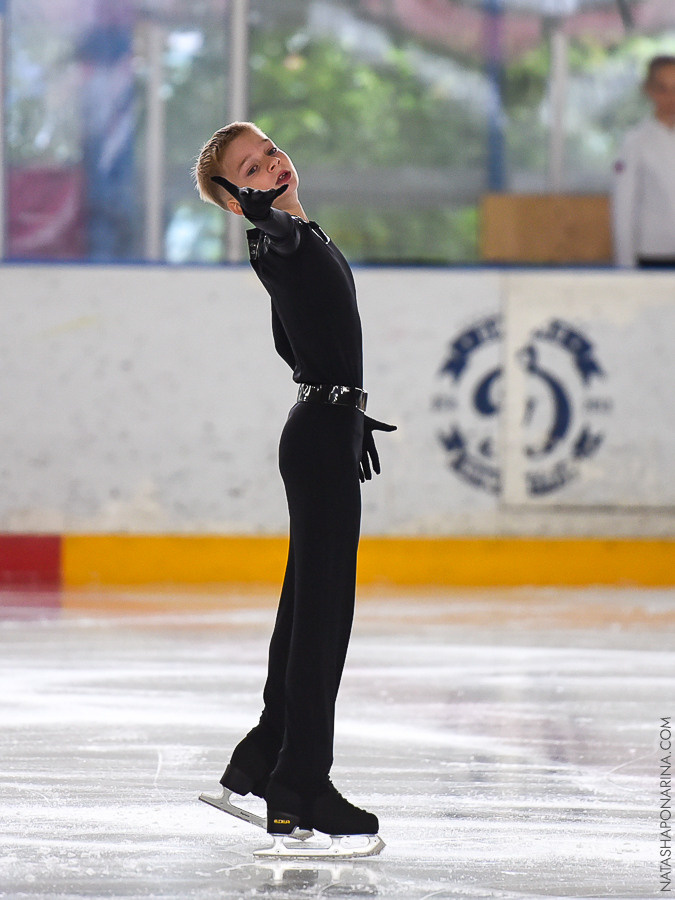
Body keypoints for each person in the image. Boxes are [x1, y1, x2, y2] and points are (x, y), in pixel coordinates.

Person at [192, 122, 395, 857]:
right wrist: (257, 208)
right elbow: (271, 231)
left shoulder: (305, 235)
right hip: (315, 436)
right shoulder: (281, 236)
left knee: (306, 603)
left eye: (269, 149)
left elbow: (314, 339)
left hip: (323, 427)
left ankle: (262, 759)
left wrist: (348, 409)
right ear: (238, 196)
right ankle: (301, 787)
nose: (272, 162)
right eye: (252, 166)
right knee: (322, 615)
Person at [611, 55, 675, 268]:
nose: (671, 97)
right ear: (649, 90)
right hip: (655, 254)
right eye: (663, 89)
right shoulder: (635, 143)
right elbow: (623, 207)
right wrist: (626, 266)